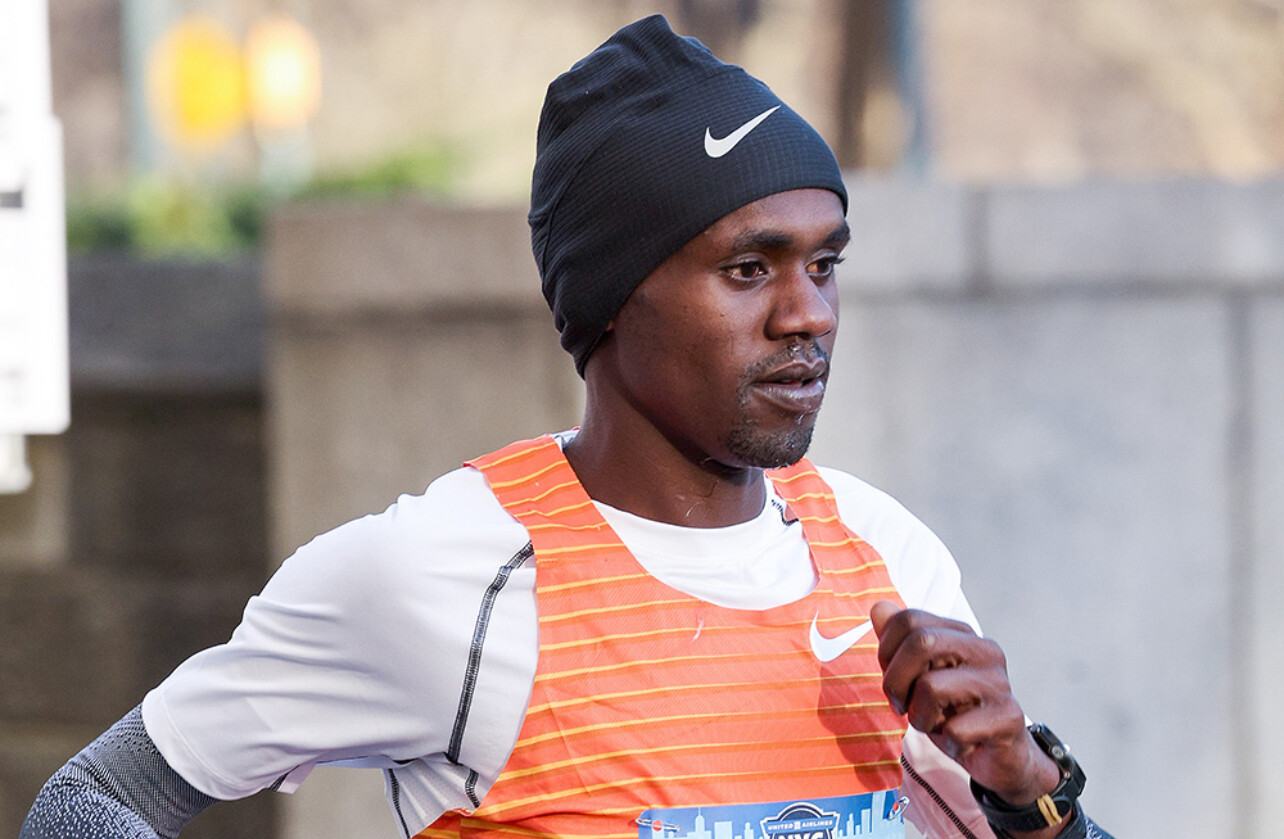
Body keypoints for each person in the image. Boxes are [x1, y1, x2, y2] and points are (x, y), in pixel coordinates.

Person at [23, 15, 1114, 839]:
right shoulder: (443, 574)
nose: (810, 314)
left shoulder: (888, 557)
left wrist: (1026, 790)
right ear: (611, 299)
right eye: (750, 268)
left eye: (824, 263)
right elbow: (87, 803)